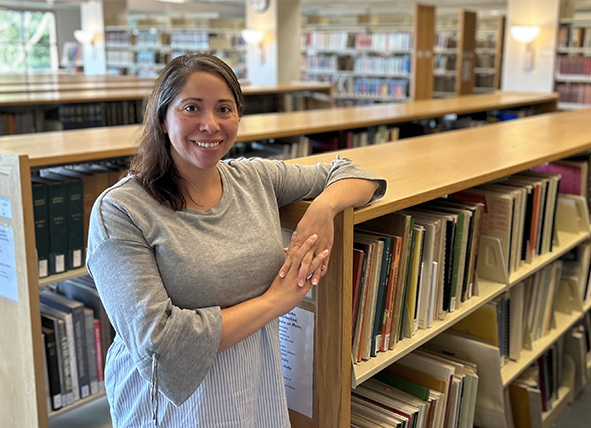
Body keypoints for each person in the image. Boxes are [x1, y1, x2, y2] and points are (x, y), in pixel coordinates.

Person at [86, 53, 386, 427]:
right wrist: (276, 301)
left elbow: (356, 174)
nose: (210, 125)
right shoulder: (120, 211)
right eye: (192, 108)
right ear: (163, 118)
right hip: (172, 404)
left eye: (224, 109)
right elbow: (161, 346)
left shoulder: (254, 179)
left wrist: (323, 209)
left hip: (255, 385)